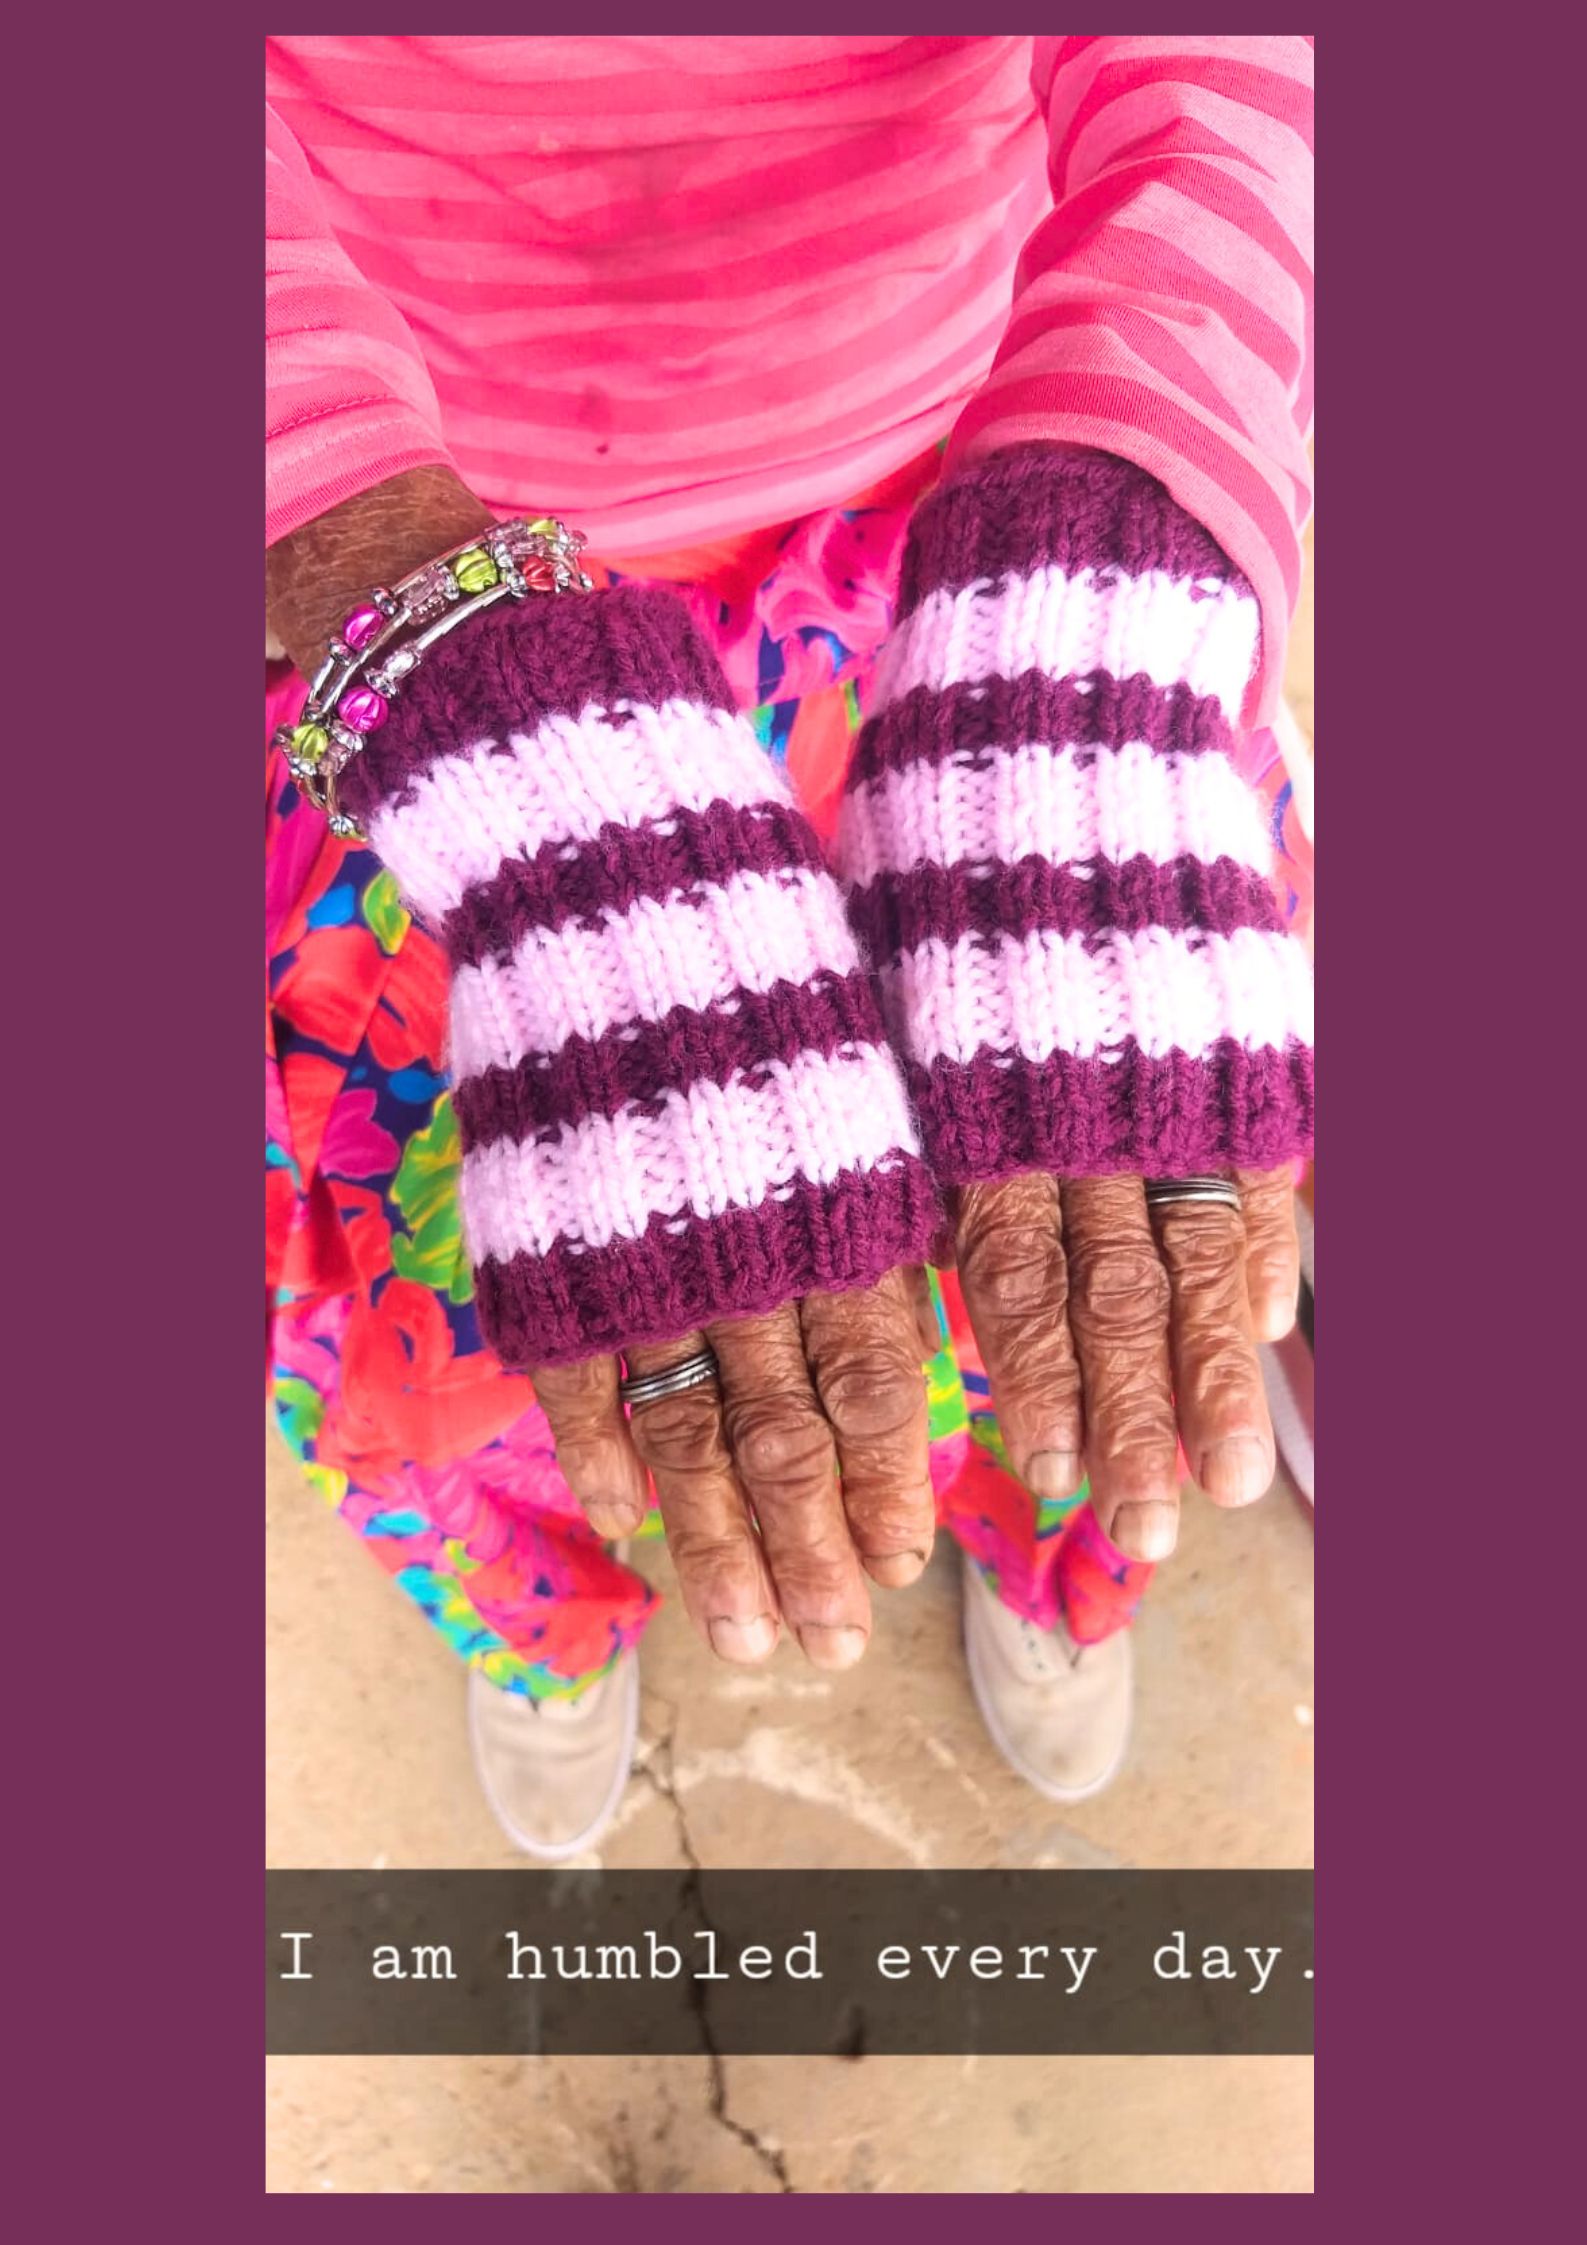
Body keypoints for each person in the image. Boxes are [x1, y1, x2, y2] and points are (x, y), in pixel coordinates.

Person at [265, 33, 1315, 1859]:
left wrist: (1128, 470)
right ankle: (547, 1614)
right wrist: (389, 584)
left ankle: (1054, 1540)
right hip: (410, 590)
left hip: (990, 541)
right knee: (496, 1314)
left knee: (1109, 1220)